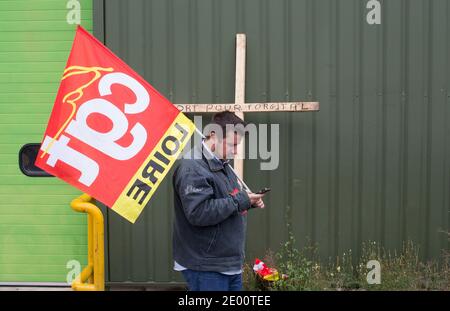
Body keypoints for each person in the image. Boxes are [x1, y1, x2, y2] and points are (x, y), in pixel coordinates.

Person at [172, 111, 266, 291]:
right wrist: (240, 200)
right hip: (207, 266)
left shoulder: (222, 163)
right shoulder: (193, 167)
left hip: (227, 264)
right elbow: (199, 213)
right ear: (214, 136)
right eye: (232, 144)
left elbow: (227, 201)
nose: (236, 151)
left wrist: (248, 202)